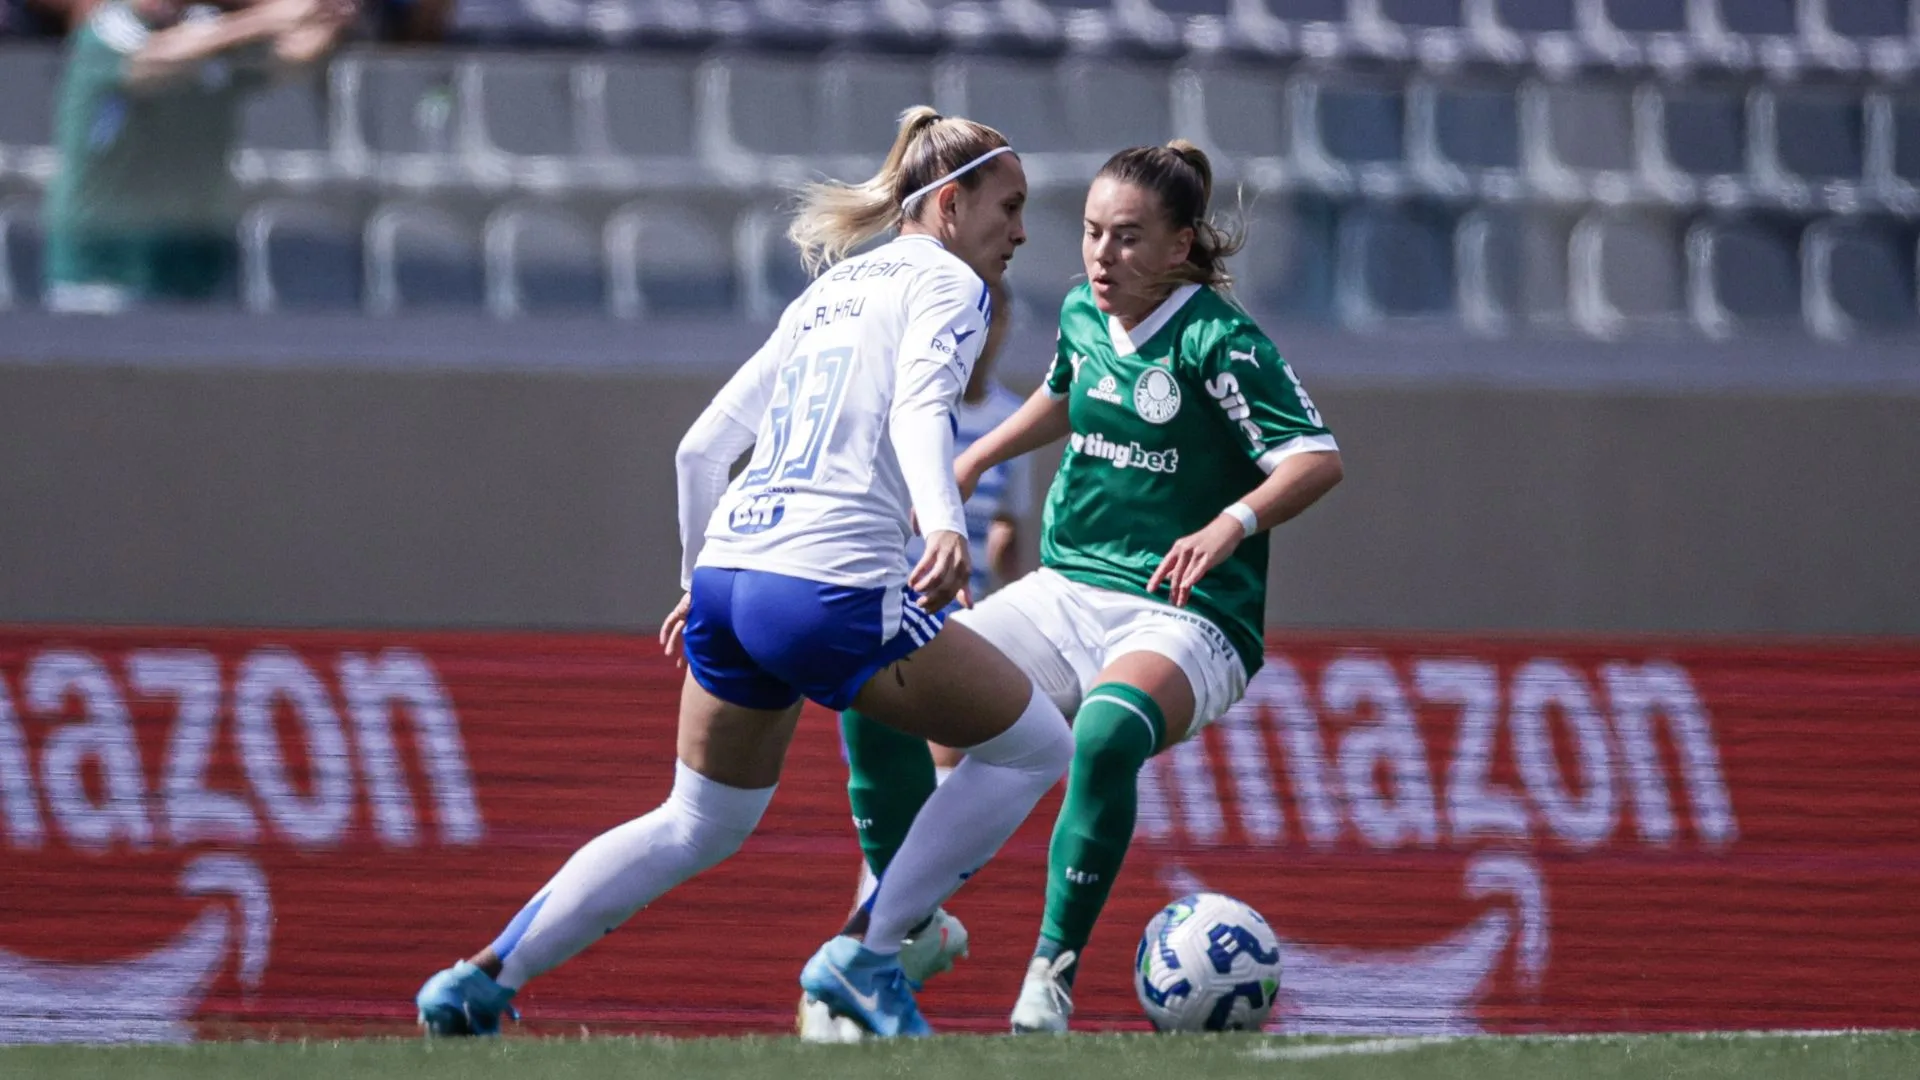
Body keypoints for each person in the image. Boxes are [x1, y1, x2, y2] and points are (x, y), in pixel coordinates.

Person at [412, 107, 1073, 1041]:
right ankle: (869, 955)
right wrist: (940, 522)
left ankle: (481, 978)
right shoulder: (949, 285)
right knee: (1039, 745)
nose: (1020, 230)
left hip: (731, 576)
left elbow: (700, 448)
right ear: (952, 203)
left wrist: (692, 583)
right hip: (830, 582)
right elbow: (923, 411)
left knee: (699, 821)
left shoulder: (827, 294)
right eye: (1010, 207)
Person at [836, 140, 1345, 1033]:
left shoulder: (1218, 338)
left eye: (1129, 238)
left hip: (1187, 612)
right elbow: (1073, 392)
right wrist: (980, 454)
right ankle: (904, 924)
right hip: (1065, 590)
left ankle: (1050, 976)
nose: (1102, 256)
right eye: (1092, 234)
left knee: (1106, 735)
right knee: (878, 684)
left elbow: (1315, 459)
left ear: (1181, 246)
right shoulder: (1082, 311)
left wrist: (1231, 523)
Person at [796, 276, 1034, 1042]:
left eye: (994, 321)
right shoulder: (905, 403)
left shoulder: (1009, 420)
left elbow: (1007, 539)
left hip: (964, 623)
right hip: (888, 620)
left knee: (916, 807)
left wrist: (1005, 603)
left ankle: (859, 978)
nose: (981, 335)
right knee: (919, 804)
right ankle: (866, 969)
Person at [41, 0, 349, 312]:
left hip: (192, 275)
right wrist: (265, 18)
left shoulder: (211, 31)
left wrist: (327, 18)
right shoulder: (109, 29)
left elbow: (286, 61)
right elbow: (156, 60)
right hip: (105, 273)